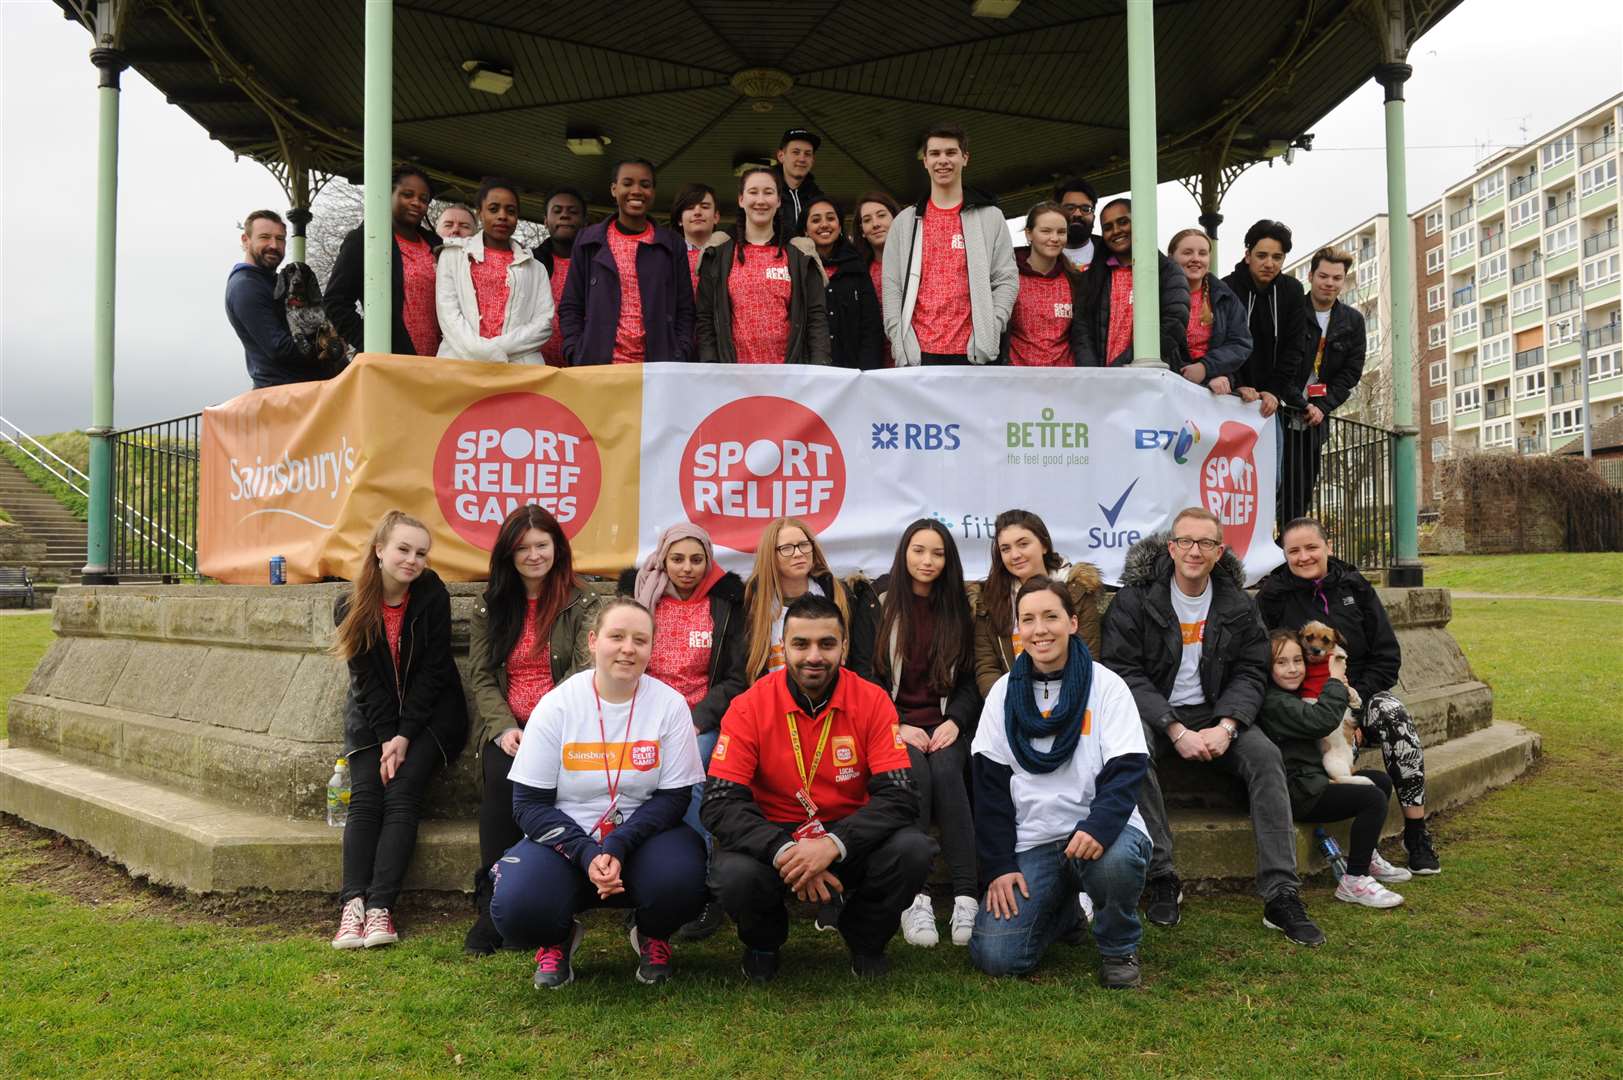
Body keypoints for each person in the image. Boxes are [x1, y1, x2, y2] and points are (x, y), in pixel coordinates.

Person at [1100, 508, 1326, 946]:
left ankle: (1281, 894)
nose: (1194, 551)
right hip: (1156, 712)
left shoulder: (1237, 603)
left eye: (1206, 543)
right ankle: (1162, 875)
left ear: (1219, 552)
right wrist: (1173, 728)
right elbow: (1122, 670)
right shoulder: (1136, 599)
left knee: (1264, 756)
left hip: (1217, 710)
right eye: (1186, 541)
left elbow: (1251, 670)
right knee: (1130, 753)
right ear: (1171, 546)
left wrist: (1227, 725)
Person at [701, 594, 935, 982]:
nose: (814, 656)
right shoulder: (749, 705)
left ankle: (865, 939)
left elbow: (901, 796)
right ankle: (763, 943)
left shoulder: (873, 700)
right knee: (733, 874)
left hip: (848, 837)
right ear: (783, 648)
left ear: (843, 647)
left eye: (826, 644)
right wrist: (785, 850)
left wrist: (832, 844)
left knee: (913, 850)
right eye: (801, 644)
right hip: (775, 839)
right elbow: (719, 803)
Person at [489, 598, 709, 988]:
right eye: (617, 636)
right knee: (516, 908)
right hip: (566, 838)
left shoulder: (670, 705)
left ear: (651, 648)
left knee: (684, 879)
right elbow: (528, 806)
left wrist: (619, 843)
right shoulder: (557, 706)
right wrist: (587, 851)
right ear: (592, 641)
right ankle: (557, 939)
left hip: (641, 836)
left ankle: (651, 934)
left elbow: (674, 798)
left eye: (640, 640)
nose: (628, 648)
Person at [969, 577, 1152, 987]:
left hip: (1101, 834)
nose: (1040, 629)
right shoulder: (1002, 694)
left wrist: (1097, 827)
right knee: (996, 956)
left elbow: (1127, 769)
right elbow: (990, 786)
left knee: (1115, 862)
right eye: (1028, 619)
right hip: (1034, 842)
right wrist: (999, 865)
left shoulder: (1107, 687)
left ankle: (1118, 948)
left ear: (1072, 622)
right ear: (1018, 630)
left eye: (1051, 616)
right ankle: (1064, 912)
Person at [1256, 517, 1440, 874]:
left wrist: (1354, 699)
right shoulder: (1274, 596)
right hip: (1308, 698)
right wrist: (1334, 708)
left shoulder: (1356, 587)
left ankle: (1415, 831)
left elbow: (1387, 657)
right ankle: (1362, 849)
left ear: (1329, 547)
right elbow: (1269, 658)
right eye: (1294, 550)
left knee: (1395, 716)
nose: (1304, 556)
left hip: (1359, 692)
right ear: (1284, 555)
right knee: (1332, 740)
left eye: (1312, 547)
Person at [462, 505, 602, 955]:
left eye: (542, 545)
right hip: (508, 727)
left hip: (564, 724)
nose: (533, 555)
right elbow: (481, 674)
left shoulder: (582, 601)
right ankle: (492, 904)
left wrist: (541, 727)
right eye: (522, 548)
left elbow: (584, 672)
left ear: (557, 548)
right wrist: (503, 727)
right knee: (502, 779)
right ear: (508, 554)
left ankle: (545, 896)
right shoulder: (492, 603)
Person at [330, 510, 469, 950]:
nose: (412, 560)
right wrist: (388, 734)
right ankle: (352, 904)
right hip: (374, 717)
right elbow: (366, 681)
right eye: (403, 549)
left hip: (430, 716)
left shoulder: (431, 595)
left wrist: (405, 736)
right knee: (368, 793)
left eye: (421, 553)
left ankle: (380, 909)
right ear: (379, 550)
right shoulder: (350, 605)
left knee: (404, 789)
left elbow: (432, 674)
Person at [616, 523, 748, 940]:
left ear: (708, 560)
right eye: (678, 559)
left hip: (699, 719)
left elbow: (736, 677)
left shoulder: (726, 602)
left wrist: (697, 719)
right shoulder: (641, 596)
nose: (687, 568)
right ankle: (640, 884)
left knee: (691, 772)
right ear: (663, 559)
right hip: (643, 714)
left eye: (696, 559)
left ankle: (701, 890)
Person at [872, 520, 981, 947]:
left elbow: (972, 680)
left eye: (937, 553)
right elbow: (868, 676)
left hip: (947, 726)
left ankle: (967, 895)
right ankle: (913, 898)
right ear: (904, 554)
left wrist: (956, 719)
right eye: (918, 551)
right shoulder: (878, 603)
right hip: (895, 725)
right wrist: (896, 724)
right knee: (914, 772)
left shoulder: (961, 609)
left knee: (949, 771)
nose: (927, 561)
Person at [1255, 630, 1408, 909]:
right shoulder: (1273, 702)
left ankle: (1366, 855)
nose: (1292, 669)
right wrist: (1335, 680)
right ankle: (1354, 880)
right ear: (1267, 667)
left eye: (1298, 660)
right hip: (1299, 792)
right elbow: (1320, 721)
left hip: (1315, 779)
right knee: (1371, 798)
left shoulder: (1297, 693)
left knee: (1381, 781)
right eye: (1281, 662)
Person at [882, 122, 1018, 366]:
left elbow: (1006, 280)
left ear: (965, 158)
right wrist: (898, 340)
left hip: (974, 353)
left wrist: (991, 328)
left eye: (951, 152)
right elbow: (891, 287)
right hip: (918, 354)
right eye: (934, 153)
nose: (942, 160)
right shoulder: (904, 222)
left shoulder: (991, 217)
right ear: (924, 161)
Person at [558, 158, 694, 364]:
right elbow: (571, 305)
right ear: (614, 189)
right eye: (627, 183)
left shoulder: (671, 244)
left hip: (657, 367)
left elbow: (685, 308)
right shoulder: (588, 241)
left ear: (653, 192)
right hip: (599, 367)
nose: (637, 191)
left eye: (645, 185)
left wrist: (679, 351)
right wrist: (576, 350)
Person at [694, 167, 831, 365]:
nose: (760, 200)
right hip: (734, 376)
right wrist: (711, 365)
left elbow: (816, 317)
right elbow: (705, 317)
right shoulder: (717, 253)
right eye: (753, 192)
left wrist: (820, 368)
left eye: (768, 192)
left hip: (789, 376)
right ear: (741, 200)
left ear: (778, 201)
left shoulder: (801, 253)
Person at [969, 509, 1103, 697]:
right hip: (1012, 703)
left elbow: (1088, 658)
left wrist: (1062, 706)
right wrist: (1010, 705)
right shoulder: (988, 601)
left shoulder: (1076, 592)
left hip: (1070, 701)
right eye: (1005, 549)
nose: (1015, 555)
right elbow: (987, 668)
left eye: (1023, 544)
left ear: (1044, 545)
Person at [1280, 248, 1367, 522]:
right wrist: (1300, 401)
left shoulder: (1353, 321)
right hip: (1280, 412)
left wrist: (1320, 407)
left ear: (1344, 280)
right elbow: (1279, 364)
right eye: (1323, 276)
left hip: (1316, 422)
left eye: (1337, 278)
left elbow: (1350, 373)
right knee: (1274, 487)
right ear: (1311, 276)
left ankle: (1289, 552)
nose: (1329, 283)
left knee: (1302, 491)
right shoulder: (1290, 312)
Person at [743, 517, 878, 684]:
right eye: (786, 548)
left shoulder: (843, 597)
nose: (798, 553)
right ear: (770, 556)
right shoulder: (752, 604)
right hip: (773, 702)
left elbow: (860, 665)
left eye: (803, 545)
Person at [325, 166, 442, 358]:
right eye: (407, 195)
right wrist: (371, 343)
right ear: (387, 194)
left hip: (439, 362)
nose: (416, 203)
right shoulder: (365, 239)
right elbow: (335, 301)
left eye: (424, 199)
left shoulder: (436, 244)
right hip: (390, 363)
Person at [435, 177, 554, 364]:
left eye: (511, 211)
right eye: (493, 209)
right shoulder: (453, 256)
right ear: (479, 213)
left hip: (519, 368)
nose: (502, 216)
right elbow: (448, 314)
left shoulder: (536, 268)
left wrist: (494, 350)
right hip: (459, 363)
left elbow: (543, 324)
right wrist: (480, 351)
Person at [226, 209, 343, 388]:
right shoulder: (246, 286)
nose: (274, 245)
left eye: (280, 239)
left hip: (305, 391)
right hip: (284, 397)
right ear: (245, 240)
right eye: (265, 237)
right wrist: (327, 343)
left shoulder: (275, 281)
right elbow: (279, 348)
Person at [1073, 199, 1190, 368]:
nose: (1116, 231)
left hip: (1149, 379)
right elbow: (1081, 329)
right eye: (1107, 227)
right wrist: (1095, 374)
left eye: (1123, 222)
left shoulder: (1167, 271)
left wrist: (1121, 368)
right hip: (1101, 384)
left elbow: (1173, 324)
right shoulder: (1093, 276)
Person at [1221, 219, 1308, 425]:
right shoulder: (1226, 287)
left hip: (1271, 402)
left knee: (1271, 456)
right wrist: (1238, 385)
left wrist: (1274, 391)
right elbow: (1219, 342)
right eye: (1262, 256)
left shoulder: (1293, 290)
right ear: (1247, 255)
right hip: (1230, 397)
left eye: (1277, 257)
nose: (1269, 264)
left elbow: (1294, 347)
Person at [1166, 228, 1252, 394]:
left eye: (1203, 253)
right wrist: (1196, 374)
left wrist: (1206, 368)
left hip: (1214, 389)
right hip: (1171, 386)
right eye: (1187, 253)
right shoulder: (1158, 295)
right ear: (1171, 257)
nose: (1196, 259)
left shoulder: (1225, 296)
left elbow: (1240, 342)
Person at [803, 195, 884, 369]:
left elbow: (870, 326)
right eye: (816, 220)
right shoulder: (797, 267)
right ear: (805, 230)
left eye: (831, 218)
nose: (824, 224)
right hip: (808, 372)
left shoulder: (857, 265)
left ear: (839, 226)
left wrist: (866, 372)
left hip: (853, 372)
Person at [1005, 201, 1085, 366]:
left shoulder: (1076, 280)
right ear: (1029, 234)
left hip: (1065, 381)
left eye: (1061, 232)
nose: (1055, 238)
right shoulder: (1008, 276)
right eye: (1046, 231)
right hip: (1015, 381)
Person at [534, 188, 588, 367]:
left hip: (586, 366)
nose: (564, 215)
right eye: (557, 211)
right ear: (545, 221)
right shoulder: (529, 262)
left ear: (585, 222)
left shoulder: (600, 264)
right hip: (536, 365)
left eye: (573, 212)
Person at [851, 191, 901, 366]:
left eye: (881, 216)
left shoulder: (915, 264)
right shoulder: (858, 272)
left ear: (896, 219)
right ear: (862, 232)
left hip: (910, 360)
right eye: (867, 220)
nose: (875, 224)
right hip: (873, 362)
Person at [771, 127, 825, 240]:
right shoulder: (764, 194)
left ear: (812, 160)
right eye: (796, 152)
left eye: (807, 154)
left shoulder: (819, 199)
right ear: (781, 156)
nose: (802, 159)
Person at [670, 182, 720, 295]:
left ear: (716, 217)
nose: (697, 212)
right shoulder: (668, 256)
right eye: (690, 207)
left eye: (705, 207)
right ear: (679, 219)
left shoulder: (731, 255)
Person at [1054, 177, 1099, 272]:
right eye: (1070, 208)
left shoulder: (1110, 252)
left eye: (1085, 209)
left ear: (1093, 217)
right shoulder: (1039, 256)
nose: (1077, 214)